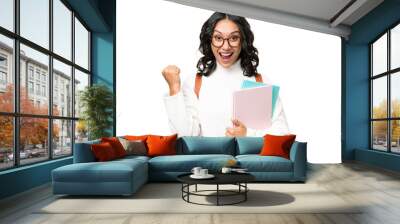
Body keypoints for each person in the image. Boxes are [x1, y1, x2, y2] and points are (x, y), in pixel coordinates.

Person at [161, 12, 289, 137]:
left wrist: (247, 134)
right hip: (208, 158)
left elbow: (282, 135)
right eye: (218, 38)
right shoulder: (196, 82)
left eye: (234, 38)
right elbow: (185, 135)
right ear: (209, 39)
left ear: (243, 40)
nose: (226, 47)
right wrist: (174, 88)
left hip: (247, 159)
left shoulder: (259, 81)